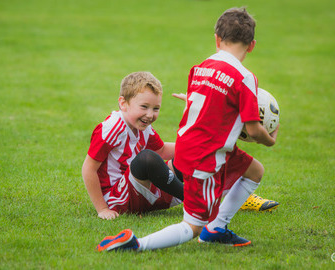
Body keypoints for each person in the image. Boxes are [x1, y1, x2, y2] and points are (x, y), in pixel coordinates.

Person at [96, 7, 280, 252]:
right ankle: (136, 245)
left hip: (189, 145)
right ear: (252, 45)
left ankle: (217, 228)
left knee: (255, 171)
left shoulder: (201, 67)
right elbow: (254, 130)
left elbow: (206, 102)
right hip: (207, 154)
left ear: (216, 38)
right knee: (192, 227)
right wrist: (270, 140)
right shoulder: (245, 77)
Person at [82, 71, 185, 220]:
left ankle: (208, 193)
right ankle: (193, 201)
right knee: (146, 159)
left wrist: (194, 146)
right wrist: (102, 208)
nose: (150, 115)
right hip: (116, 199)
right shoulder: (111, 128)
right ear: (123, 103)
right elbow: (88, 169)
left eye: (155, 109)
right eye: (144, 107)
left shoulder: (144, 128)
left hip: (138, 191)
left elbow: (162, 150)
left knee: (188, 156)